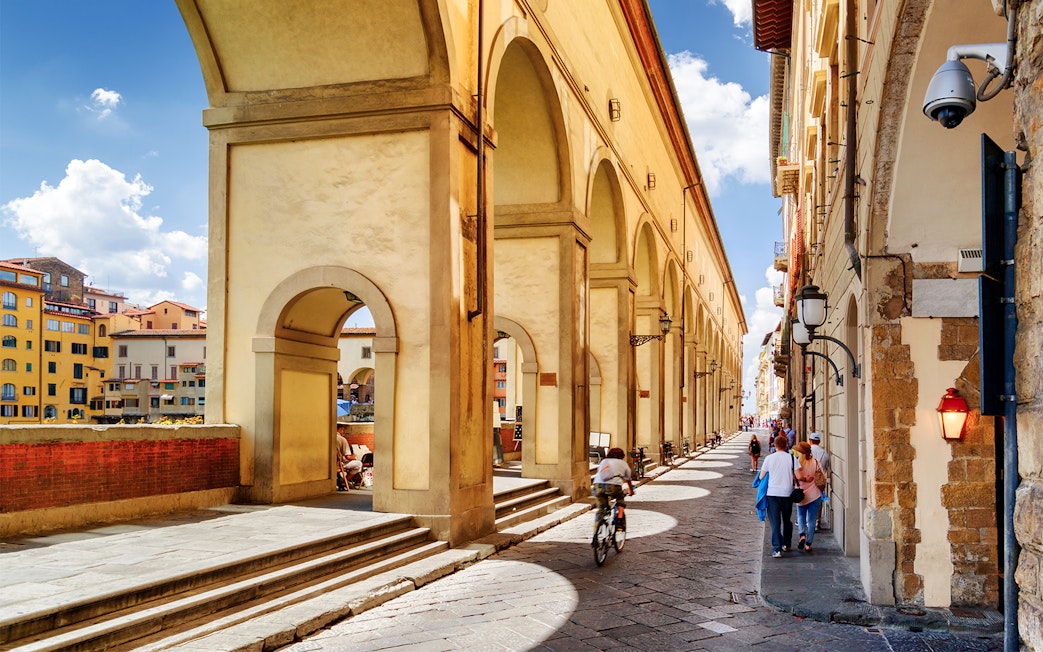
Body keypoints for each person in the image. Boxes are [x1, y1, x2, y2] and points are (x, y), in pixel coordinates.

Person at [758, 434, 795, 557]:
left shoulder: (769, 459)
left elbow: (761, 476)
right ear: (786, 445)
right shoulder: (792, 458)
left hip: (772, 494)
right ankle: (787, 544)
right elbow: (798, 476)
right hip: (787, 494)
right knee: (787, 520)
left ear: (775, 445)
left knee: (775, 522)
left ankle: (777, 549)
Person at [591, 447, 634, 538]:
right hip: (614, 486)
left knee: (601, 509)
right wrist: (631, 490)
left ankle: (596, 532)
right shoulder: (623, 463)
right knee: (620, 500)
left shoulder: (604, 461)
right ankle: (619, 521)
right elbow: (628, 479)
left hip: (597, 486)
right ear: (621, 456)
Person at [793, 441, 824, 553]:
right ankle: (808, 544)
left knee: (801, 517)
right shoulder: (815, 462)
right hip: (815, 495)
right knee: (811, 520)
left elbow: (795, 477)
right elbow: (822, 476)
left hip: (801, 495)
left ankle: (802, 535)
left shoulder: (797, 463)